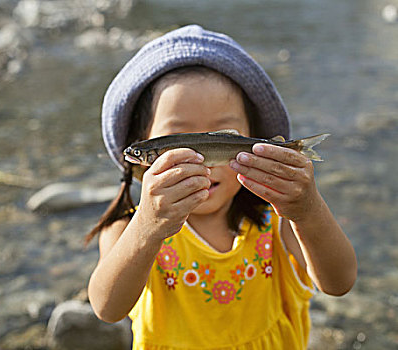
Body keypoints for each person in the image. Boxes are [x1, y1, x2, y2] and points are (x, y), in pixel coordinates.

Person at [86, 25, 357, 349]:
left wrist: (307, 209)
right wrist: (147, 226)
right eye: (179, 140)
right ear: (143, 149)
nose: (198, 159)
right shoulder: (128, 230)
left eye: (221, 133)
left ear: (250, 139)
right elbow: (107, 308)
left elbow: (339, 282)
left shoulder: (276, 223)